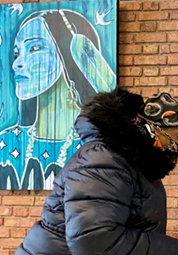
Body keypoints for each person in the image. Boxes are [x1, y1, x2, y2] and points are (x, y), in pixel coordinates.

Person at [0, 87, 178, 255]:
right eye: (176, 142)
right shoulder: (105, 159)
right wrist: (173, 251)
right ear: (152, 130)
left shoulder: (129, 161)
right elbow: (95, 242)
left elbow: (119, 229)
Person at [0, 9, 116, 190]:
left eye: (34, 48)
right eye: (16, 53)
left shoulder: (98, 148)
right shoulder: (6, 144)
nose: (17, 64)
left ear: (69, 53)